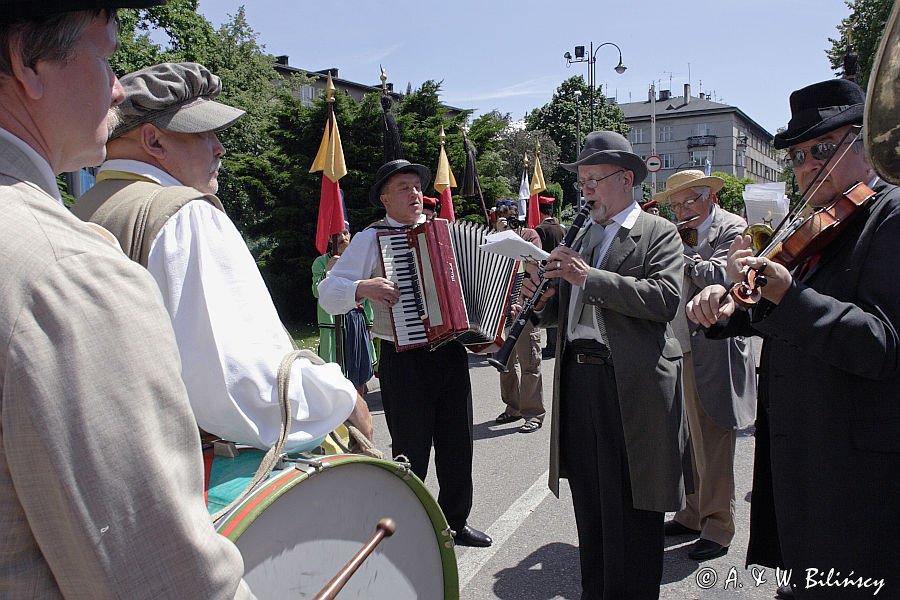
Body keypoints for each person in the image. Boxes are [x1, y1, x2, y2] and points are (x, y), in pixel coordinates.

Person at [0, 3, 252, 596]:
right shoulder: (65, 270)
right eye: (107, 57)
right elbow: (164, 580)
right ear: (26, 63)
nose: (118, 89)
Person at [72, 62, 365, 450]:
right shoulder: (184, 213)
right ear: (154, 141)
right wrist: (341, 402)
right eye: (203, 132)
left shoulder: (78, 211)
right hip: (197, 476)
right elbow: (244, 389)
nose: (219, 147)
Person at [687, 78, 900, 599]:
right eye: (799, 155)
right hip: (798, 459)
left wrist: (792, 297)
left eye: (821, 150)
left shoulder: (890, 216)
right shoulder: (808, 223)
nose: (806, 165)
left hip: (853, 471)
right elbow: (765, 307)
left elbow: (883, 342)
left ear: (866, 142)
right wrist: (723, 307)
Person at [522, 131, 688, 599]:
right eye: (583, 181)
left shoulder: (658, 232)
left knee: (634, 507)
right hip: (581, 379)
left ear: (627, 179)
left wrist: (587, 276)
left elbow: (665, 299)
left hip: (630, 383)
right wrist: (541, 298)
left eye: (595, 179)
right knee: (592, 504)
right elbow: (569, 312)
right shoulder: (586, 235)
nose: (587, 189)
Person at [318, 159, 492, 547]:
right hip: (403, 356)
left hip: (449, 352)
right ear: (384, 199)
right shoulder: (369, 238)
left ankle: (454, 522)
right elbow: (328, 294)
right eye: (403, 188)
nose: (414, 194)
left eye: (416, 187)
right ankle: (405, 527)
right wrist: (363, 287)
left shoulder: (443, 233)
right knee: (411, 448)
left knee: (457, 444)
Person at [653, 170, 757, 561]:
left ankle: (718, 526)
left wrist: (678, 252)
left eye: (687, 203)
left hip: (714, 348)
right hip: (677, 343)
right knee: (684, 438)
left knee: (712, 439)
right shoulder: (680, 230)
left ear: (709, 197)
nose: (681, 212)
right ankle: (691, 512)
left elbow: (724, 275)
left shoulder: (735, 228)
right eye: (676, 206)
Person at [494, 203, 546, 434]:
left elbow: (535, 267)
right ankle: (513, 407)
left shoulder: (530, 235)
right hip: (499, 308)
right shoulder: (494, 238)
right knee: (504, 363)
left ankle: (533, 413)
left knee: (529, 362)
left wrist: (517, 241)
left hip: (524, 306)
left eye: (513, 217)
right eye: (504, 217)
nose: (510, 221)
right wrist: (499, 233)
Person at [311, 222, 377, 395]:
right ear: (329, 238)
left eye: (345, 233)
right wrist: (327, 271)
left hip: (356, 318)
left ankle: (360, 405)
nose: (342, 238)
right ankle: (339, 408)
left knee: (359, 366)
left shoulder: (357, 261)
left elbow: (367, 293)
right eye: (337, 234)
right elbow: (316, 292)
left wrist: (369, 324)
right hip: (334, 322)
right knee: (335, 368)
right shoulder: (320, 262)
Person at [533, 195, 566, 357]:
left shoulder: (540, 230)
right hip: (563, 273)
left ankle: (552, 345)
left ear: (540, 212)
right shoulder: (562, 228)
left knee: (549, 308)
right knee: (559, 308)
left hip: (548, 273)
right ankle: (556, 344)